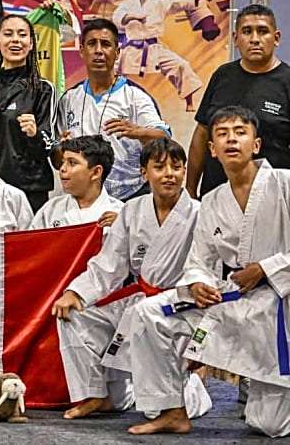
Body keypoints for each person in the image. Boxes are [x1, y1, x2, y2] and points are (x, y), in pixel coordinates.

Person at [127, 107, 290, 437]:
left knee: (268, 424)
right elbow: (199, 260)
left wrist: (266, 268)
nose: (232, 139)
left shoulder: (285, 183)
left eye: (240, 132)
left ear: (256, 144)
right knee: (149, 312)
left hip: (280, 304)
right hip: (232, 297)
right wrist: (197, 283)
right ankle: (172, 410)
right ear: (212, 149)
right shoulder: (213, 200)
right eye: (222, 133)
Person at [52, 138, 210, 421]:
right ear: (144, 173)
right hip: (140, 297)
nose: (169, 174)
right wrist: (76, 293)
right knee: (74, 314)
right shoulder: (132, 210)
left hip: (183, 304)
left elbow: (205, 267)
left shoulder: (199, 213)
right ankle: (95, 393)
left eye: (176, 167)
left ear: (185, 171)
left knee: (157, 409)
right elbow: (109, 264)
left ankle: (189, 389)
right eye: (159, 167)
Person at [55, 19, 168, 200]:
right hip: (82, 198)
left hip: (130, 196)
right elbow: (57, 159)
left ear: (117, 52)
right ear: (82, 51)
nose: (98, 50)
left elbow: (164, 139)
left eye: (106, 44)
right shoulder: (69, 99)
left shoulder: (134, 96)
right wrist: (60, 148)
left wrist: (138, 132)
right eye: (92, 44)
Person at [187, 4, 290, 198]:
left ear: (276, 38)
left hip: (272, 199)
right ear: (235, 39)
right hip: (215, 194)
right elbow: (202, 133)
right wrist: (190, 189)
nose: (255, 39)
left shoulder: (287, 82)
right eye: (247, 31)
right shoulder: (222, 75)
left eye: (262, 31)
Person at [0, 14, 56, 211]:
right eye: (8, 34)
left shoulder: (43, 89)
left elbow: (49, 145)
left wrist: (34, 134)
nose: (15, 40)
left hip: (30, 188)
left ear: (31, 44)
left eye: (22, 34)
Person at [113, 0, 204, 112]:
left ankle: (189, 102)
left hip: (154, 47)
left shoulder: (159, 4)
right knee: (113, 71)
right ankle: (112, 101)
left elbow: (177, 3)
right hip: (132, 48)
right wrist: (132, 17)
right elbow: (117, 17)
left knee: (181, 65)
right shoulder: (128, 4)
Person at [30, 134, 122, 229]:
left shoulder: (121, 214)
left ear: (96, 172)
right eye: (63, 162)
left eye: (72, 163)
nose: (62, 168)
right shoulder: (50, 210)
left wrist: (121, 228)